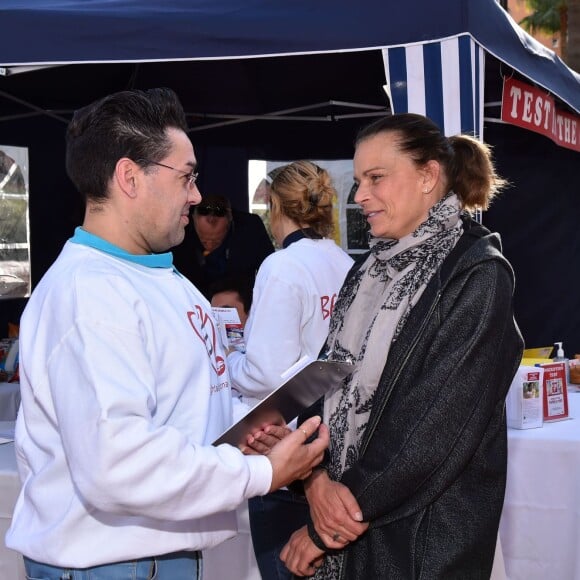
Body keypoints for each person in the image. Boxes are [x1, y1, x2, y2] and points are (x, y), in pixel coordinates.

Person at [4, 87, 329, 580]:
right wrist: (262, 472)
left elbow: (184, 406)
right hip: (112, 565)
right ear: (129, 178)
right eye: (187, 177)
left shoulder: (163, 279)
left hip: (150, 558)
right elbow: (118, 465)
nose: (197, 195)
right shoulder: (90, 293)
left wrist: (248, 434)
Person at [280, 113, 524, 579]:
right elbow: (326, 379)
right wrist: (312, 478)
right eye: (358, 181)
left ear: (428, 177)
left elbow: (431, 428)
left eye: (376, 178)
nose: (360, 195)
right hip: (347, 526)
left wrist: (325, 527)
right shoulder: (365, 271)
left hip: (420, 544)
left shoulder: (477, 276)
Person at [227, 160, 354, 579]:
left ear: (277, 209)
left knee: (284, 567)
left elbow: (265, 370)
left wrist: (228, 362)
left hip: (285, 446)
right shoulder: (344, 263)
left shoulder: (282, 265)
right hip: (337, 440)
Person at [172, 194, 275, 298]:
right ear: (193, 219)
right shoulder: (180, 229)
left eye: (216, 241)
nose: (210, 246)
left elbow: (269, 271)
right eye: (204, 241)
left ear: (229, 221)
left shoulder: (250, 228)